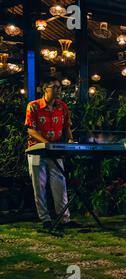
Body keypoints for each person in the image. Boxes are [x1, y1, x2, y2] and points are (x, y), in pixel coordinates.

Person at [25, 77, 78, 230]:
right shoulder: (33, 106)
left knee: (59, 184)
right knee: (39, 186)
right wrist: (45, 143)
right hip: (36, 149)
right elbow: (30, 129)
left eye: (59, 87)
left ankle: (64, 219)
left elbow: (67, 126)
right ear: (45, 89)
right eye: (54, 86)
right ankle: (45, 219)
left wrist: (70, 140)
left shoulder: (62, 106)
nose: (58, 89)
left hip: (56, 150)